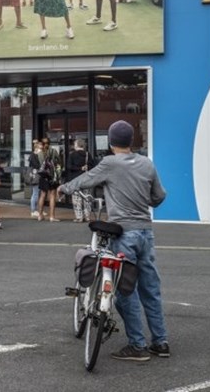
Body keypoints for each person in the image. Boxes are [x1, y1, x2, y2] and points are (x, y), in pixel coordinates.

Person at [60, 120, 169, 361]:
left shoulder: (109, 163)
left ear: (110, 142)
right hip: (145, 233)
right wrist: (145, 202)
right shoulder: (146, 163)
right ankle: (160, 342)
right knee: (150, 288)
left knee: (126, 291)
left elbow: (85, 180)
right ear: (132, 141)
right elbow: (159, 196)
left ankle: (137, 346)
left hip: (123, 234)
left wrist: (63, 188)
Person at [65, 139, 96, 222]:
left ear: (77, 145)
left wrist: (78, 168)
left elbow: (69, 167)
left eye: (75, 144)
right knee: (87, 198)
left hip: (75, 180)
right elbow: (92, 166)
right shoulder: (87, 154)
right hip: (86, 179)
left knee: (76, 199)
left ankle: (79, 217)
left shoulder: (72, 155)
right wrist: (85, 168)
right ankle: (87, 216)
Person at [36, 137, 61, 221]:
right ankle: (52, 216)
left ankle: (40, 215)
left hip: (43, 176)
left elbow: (38, 165)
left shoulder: (39, 153)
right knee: (52, 196)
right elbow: (59, 162)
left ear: (42, 144)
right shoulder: (54, 151)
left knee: (42, 195)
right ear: (49, 143)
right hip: (52, 176)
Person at [28, 142, 44, 218]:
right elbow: (37, 165)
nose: (41, 150)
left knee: (39, 193)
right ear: (36, 148)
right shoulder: (33, 156)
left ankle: (39, 210)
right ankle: (33, 210)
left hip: (38, 176)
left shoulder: (36, 155)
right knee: (35, 193)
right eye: (40, 148)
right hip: (35, 176)